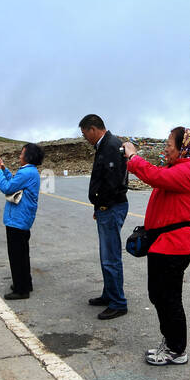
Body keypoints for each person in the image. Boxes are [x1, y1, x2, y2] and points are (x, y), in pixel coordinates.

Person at [126, 126, 190, 366]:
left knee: (168, 298)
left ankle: (176, 349)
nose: (166, 149)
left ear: (183, 147)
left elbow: (154, 176)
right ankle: (170, 342)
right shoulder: (179, 167)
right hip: (162, 244)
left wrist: (132, 157)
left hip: (173, 246)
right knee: (159, 296)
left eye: (170, 145)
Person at [82, 114, 131, 320]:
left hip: (111, 207)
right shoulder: (104, 145)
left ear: (94, 129)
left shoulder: (110, 145)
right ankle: (109, 294)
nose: (85, 138)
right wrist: (97, 205)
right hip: (105, 207)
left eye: (85, 134)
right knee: (106, 255)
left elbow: (113, 182)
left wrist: (102, 204)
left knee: (111, 257)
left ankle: (118, 303)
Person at [0, 141, 43, 299]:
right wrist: (3, 168)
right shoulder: (29, 171)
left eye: (22, 153)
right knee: (22, 253)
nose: (20, 155)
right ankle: (24, 283)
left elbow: (7, 187)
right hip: (22, 219)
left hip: (17, 220)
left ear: (28, 156)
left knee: (16, 255)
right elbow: (13, 181)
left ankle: (21, 290)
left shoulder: (27, 172)